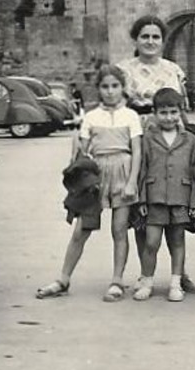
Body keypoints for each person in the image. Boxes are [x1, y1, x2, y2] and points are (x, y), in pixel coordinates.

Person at [36, 64, 142, 302]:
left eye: (115, 86)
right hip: (95, 175)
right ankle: (63, 278)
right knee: (81, 230)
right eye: (105, 87)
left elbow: (137, 152)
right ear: (98, 89)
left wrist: (132, 181)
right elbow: (81, 149)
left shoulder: (131, 116)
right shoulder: (92, 117)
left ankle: (117, 280)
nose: (110, 91)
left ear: (122, 88)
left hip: (123, 172)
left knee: (119, 230)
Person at [117, 15, 195, 295]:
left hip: (169, 136)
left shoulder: (173, 70)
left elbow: (184, 109)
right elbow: (117, 107)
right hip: (136, 136)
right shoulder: (123, 70)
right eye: (145, 36)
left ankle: (181, 274)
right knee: (146, 211)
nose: (150, 42)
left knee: (174, 214)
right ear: (136, 39)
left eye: (156, 37)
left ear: (163, 40)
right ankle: (146, 275)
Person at [133, 88, 195, 303]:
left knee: (177, 240)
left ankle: (176, 282)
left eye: (173, 112)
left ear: (181, 111)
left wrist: (193, 201)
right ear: (154, 113)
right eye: (163, 113)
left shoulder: (190, 140)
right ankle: (147, 281)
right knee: (151, 242)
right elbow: (143, 169)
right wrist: (142, 198)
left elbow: (194, 172)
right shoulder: (148, 139)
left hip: (181, 196)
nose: (169, 117)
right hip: (155, 197)